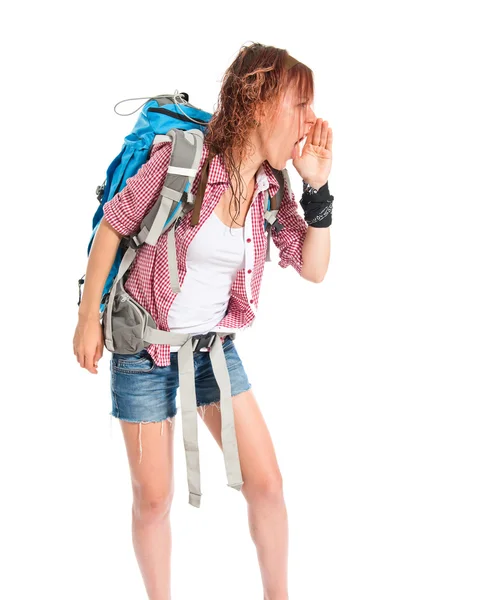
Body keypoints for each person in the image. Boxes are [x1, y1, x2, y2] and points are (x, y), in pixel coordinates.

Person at [72, 42, 334, 600]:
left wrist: (317, 189)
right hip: (143, 348)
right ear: (260, 103)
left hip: (212, 351)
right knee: (153, 499)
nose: (311, 122)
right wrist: (87, 318)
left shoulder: (271, 188)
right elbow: (114, 226)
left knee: (267, 484)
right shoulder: (180, 160)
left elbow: (313, 268)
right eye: (300, 105)